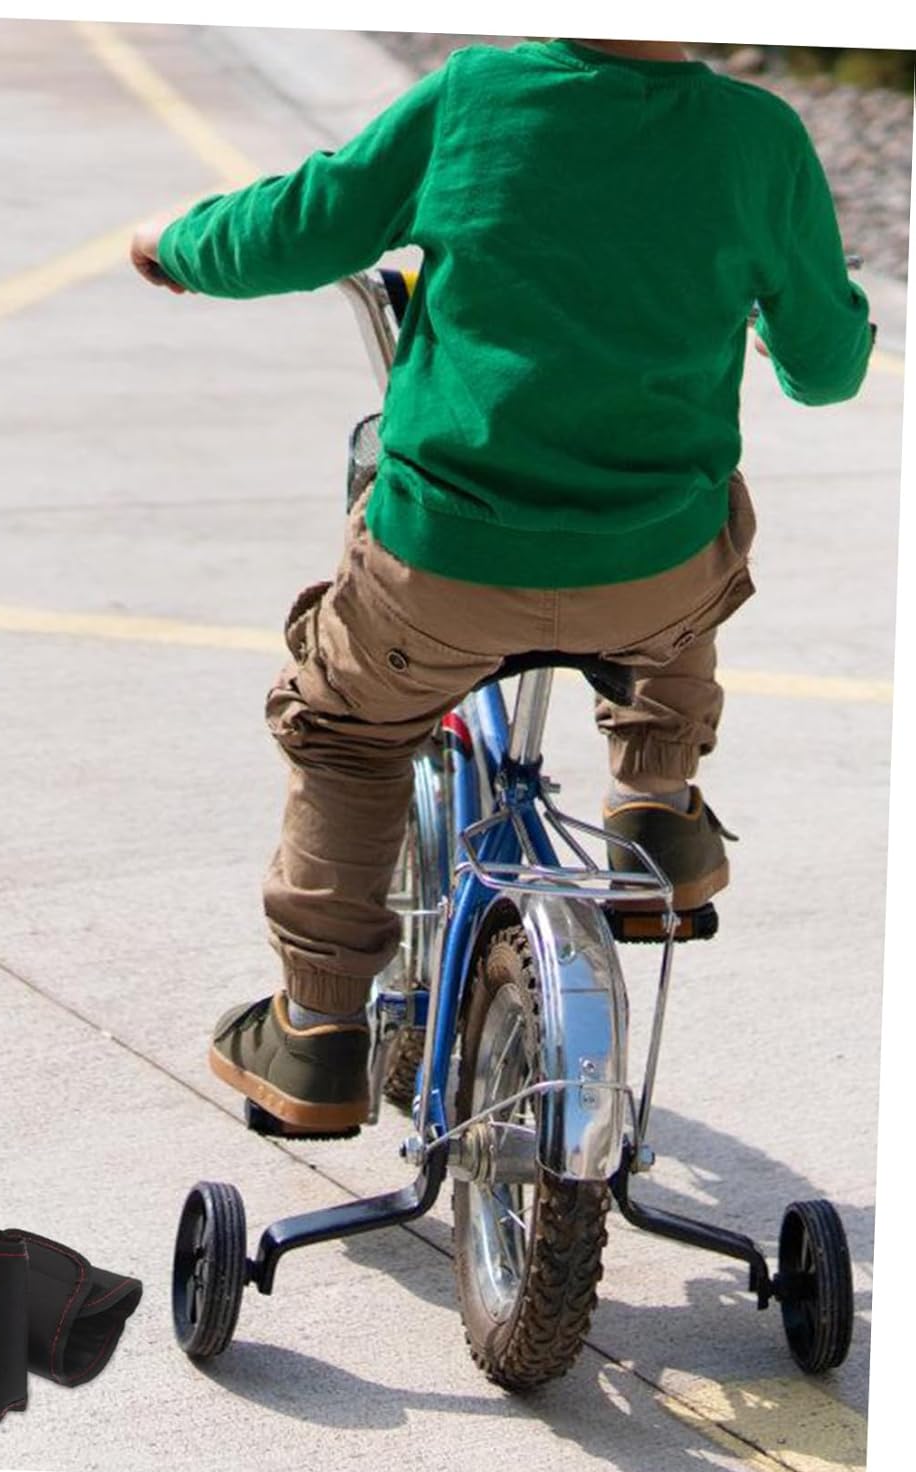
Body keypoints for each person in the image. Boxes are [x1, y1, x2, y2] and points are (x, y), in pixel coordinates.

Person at [130, 37, 873, 1136]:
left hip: (444, 572)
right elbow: (828, 365)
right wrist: (782, 328)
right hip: (646, 581)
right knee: (699, 533)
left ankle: (317, 1029)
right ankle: (656, 803)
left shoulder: (475, 96)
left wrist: (176, 243)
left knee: (346, 731)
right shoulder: (757, 138)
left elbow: (300, 222)